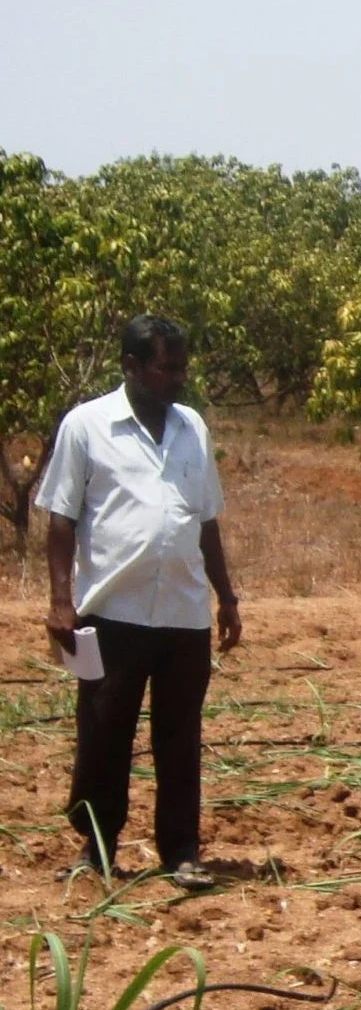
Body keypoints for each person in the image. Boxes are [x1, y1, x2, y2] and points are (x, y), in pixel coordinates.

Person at [36, 315, 241, 889]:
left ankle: (180, 851)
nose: (179, 377)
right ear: (130, 368)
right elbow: (60, 519)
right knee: (104, 734)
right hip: (110, 612)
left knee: (180, 736)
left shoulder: (192, 427)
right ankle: (97, 848)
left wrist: (226, 597)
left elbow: (206, 521)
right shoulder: (87, 426)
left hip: (182, 612)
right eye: (166, 366)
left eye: (181, 366)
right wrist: (60, 602)